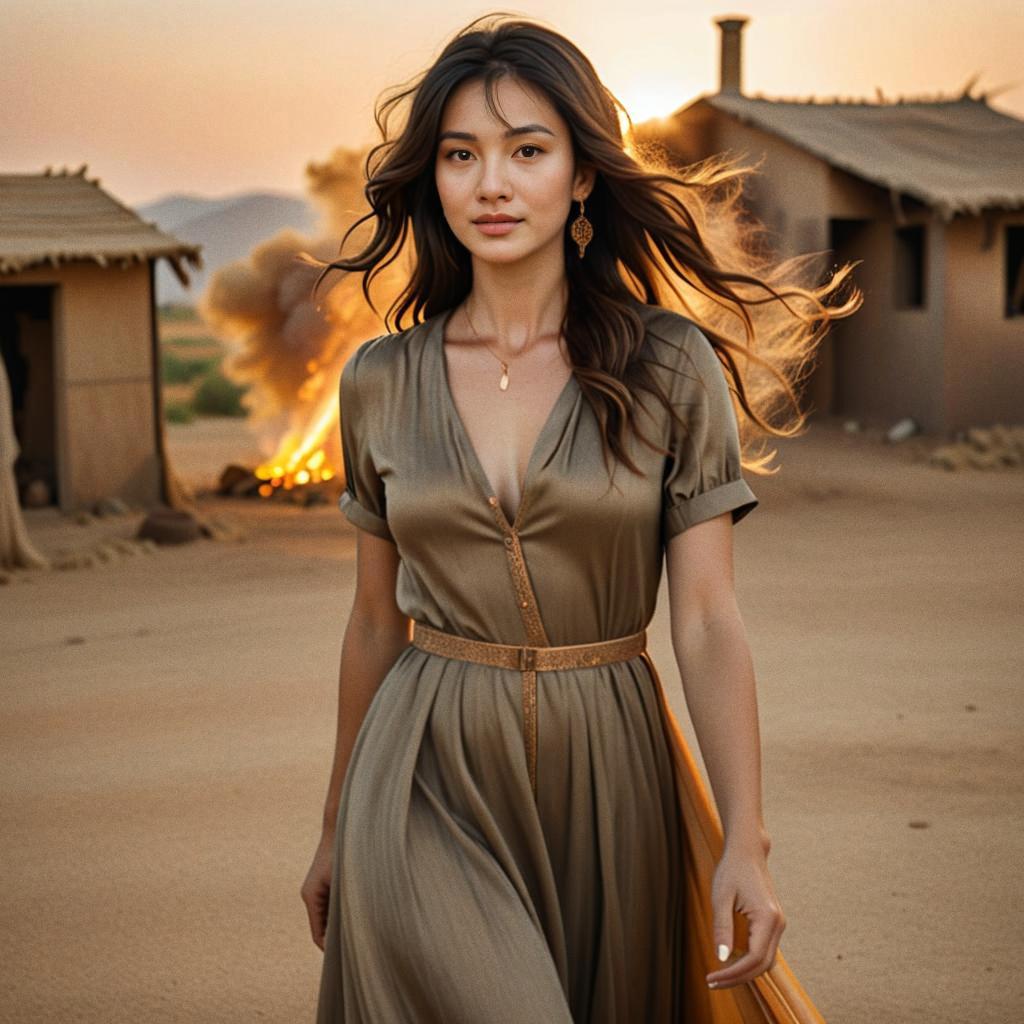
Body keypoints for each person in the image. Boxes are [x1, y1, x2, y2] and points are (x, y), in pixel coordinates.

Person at [299, 12, 859, 1023]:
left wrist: (744, 835)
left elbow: (705, 618)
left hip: (613, 772)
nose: (492, 184)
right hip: (422, 767)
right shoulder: (380, 380)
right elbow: (375, 619)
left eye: (527, 150)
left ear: (584, 173)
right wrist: (337, 821)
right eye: (461, 155)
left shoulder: (669, 367)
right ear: (433, 177)